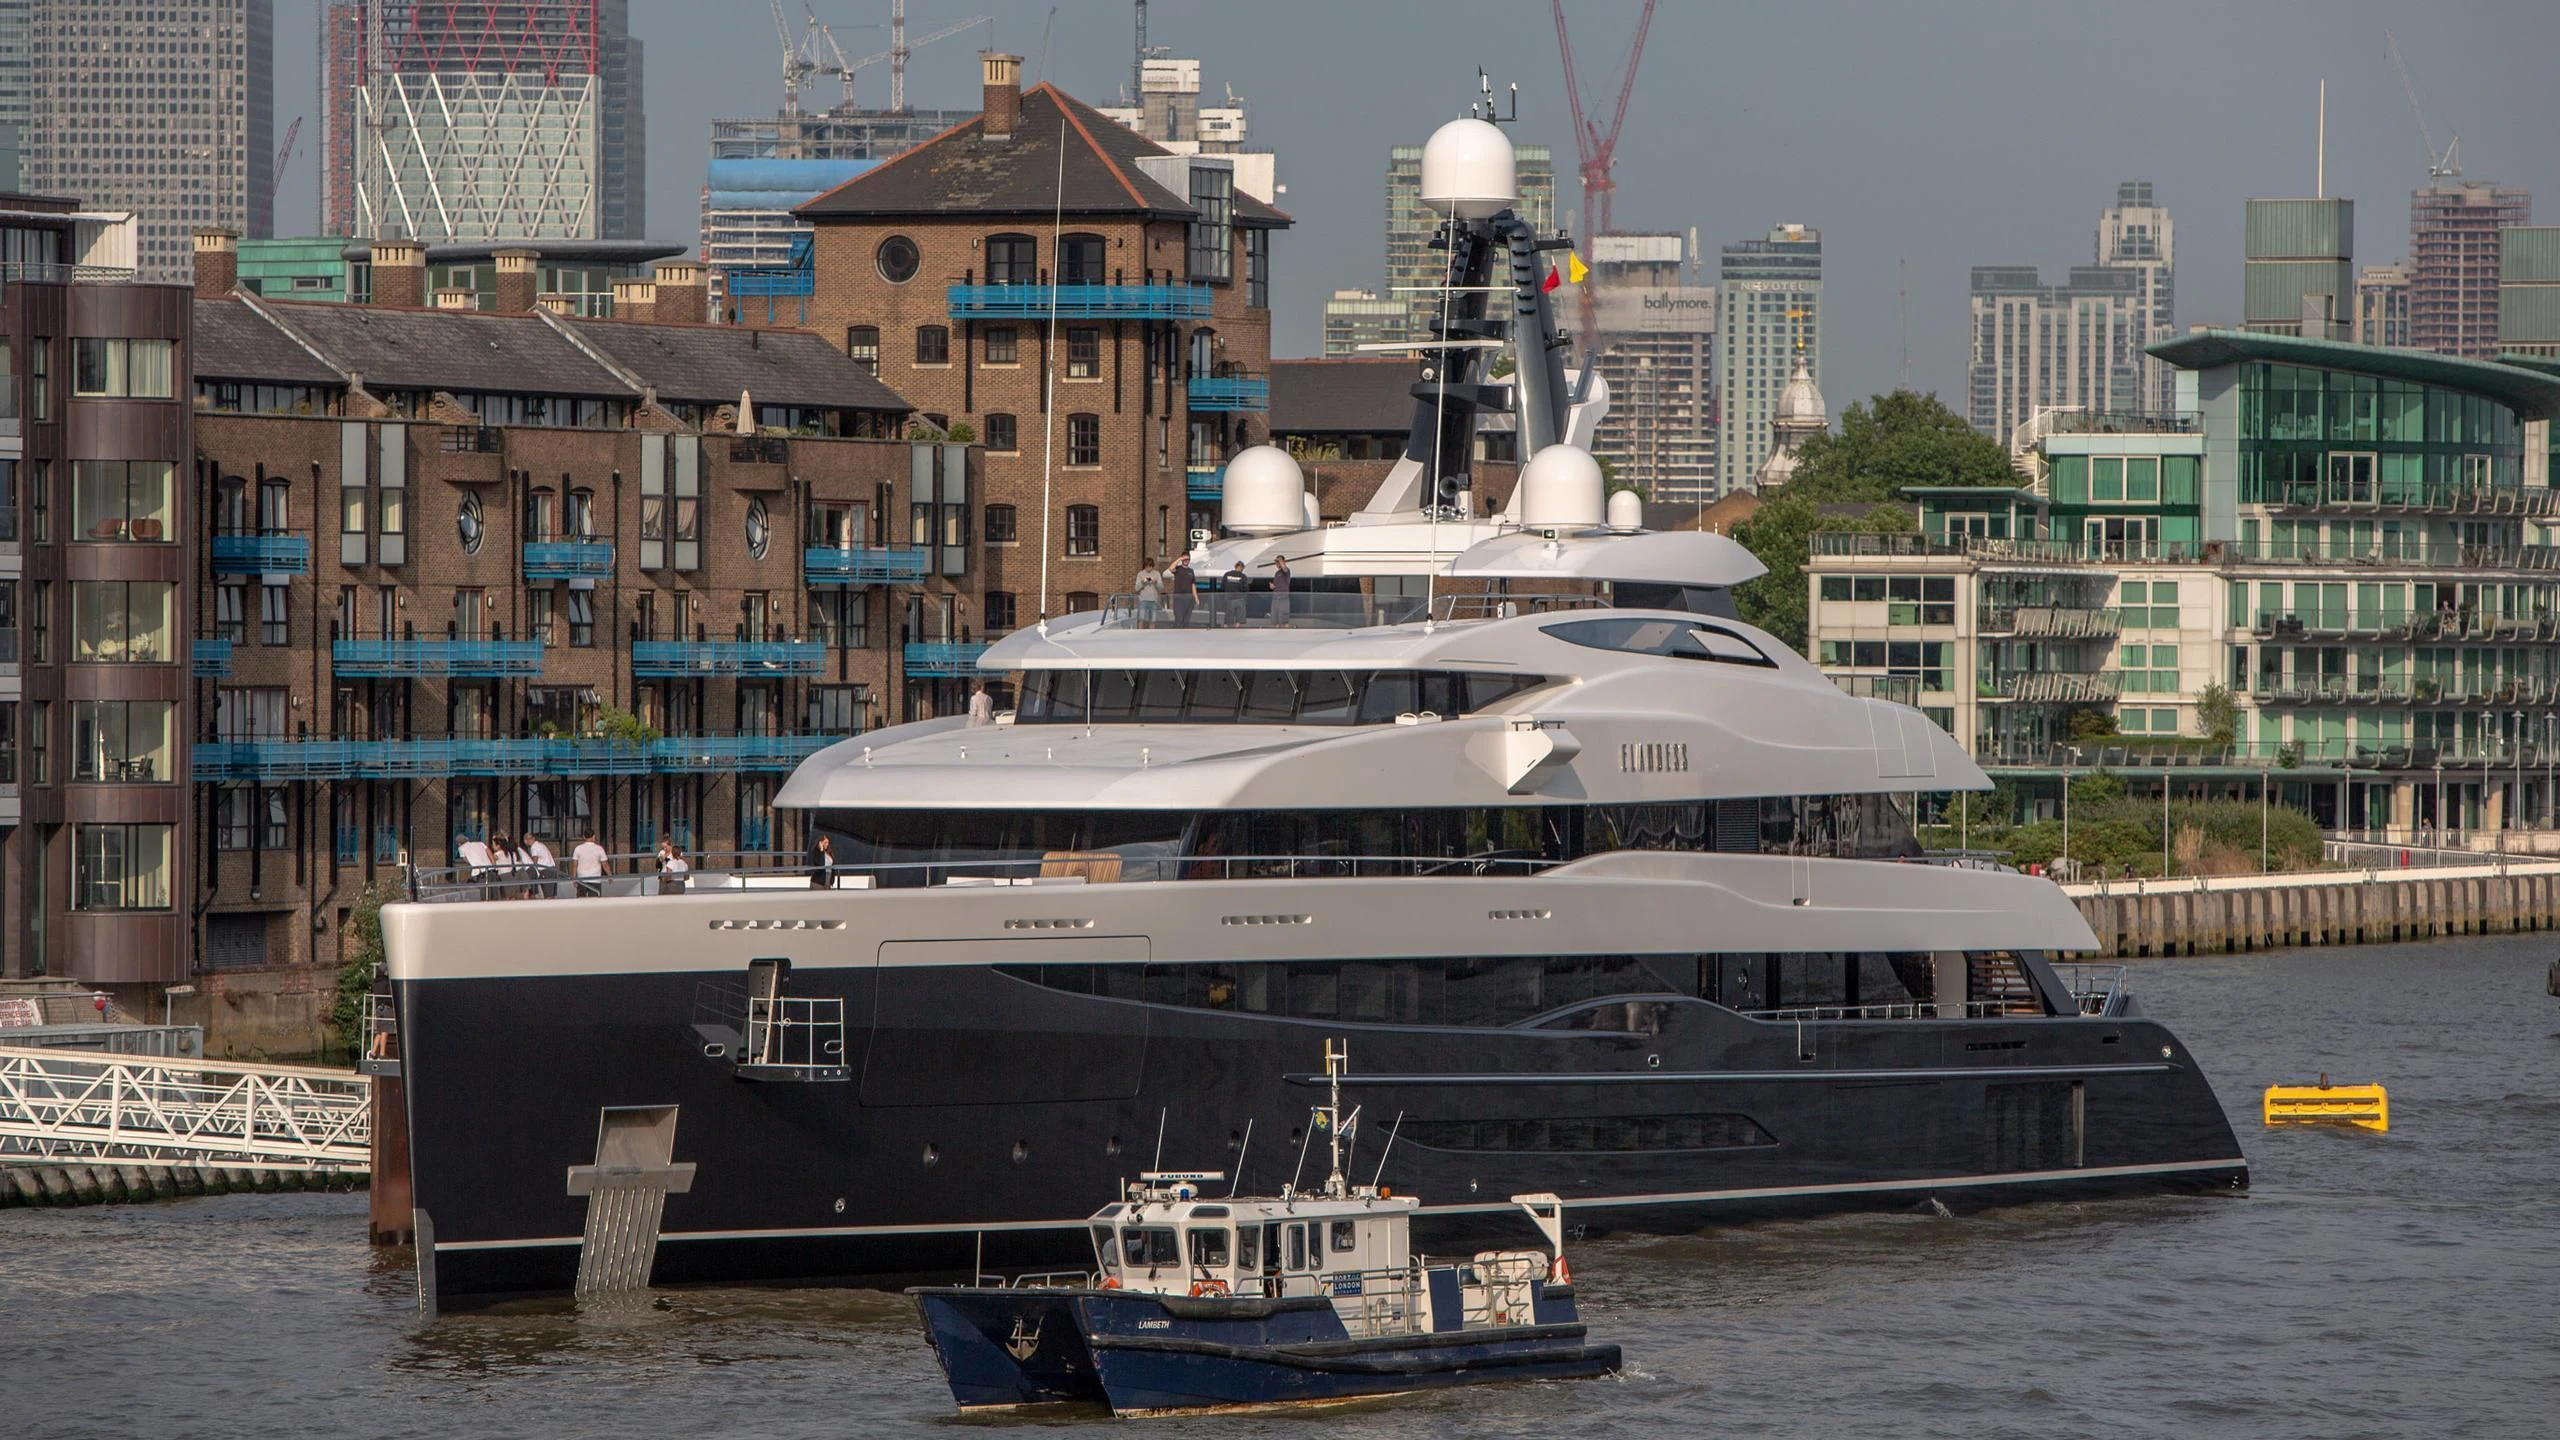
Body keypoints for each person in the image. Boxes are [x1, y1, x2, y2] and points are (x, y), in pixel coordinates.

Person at [571, 829, 609, 898]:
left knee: (581, 900)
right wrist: (610, 876)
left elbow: (574, 864)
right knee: (594, 902)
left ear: (584, 837)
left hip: (582, 878)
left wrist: (574, 878)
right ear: (594, 836)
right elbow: (605, 864)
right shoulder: (599, 849)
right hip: (595, 878)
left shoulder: (578, 848)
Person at [525, 831, 560, 899]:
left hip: (546, 870)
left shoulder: (534, 847)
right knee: (551, 894)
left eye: (528, 839)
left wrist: (534, 871)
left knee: (548, 894)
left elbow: (535, 859)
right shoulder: (540, 845)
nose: (527, 841)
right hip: (551, 869)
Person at [1168, 554, 1198, 628]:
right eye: (1184, 559)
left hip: (1189, 598)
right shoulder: (1178, 569)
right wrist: (1180, 558)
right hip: (1179, 598)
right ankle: (1177, 635)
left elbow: (1193, 585)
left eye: (1188, 559)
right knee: (1179, 619)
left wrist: (1196, 598)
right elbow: (1171, 568)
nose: (1186, 561)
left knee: (1186, 620)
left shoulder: (1191, 571)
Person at [1133, 559, 1164, 628]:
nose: (1149, 568)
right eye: (1147, 566)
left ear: (1152, 566)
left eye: (1150, 566)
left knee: (1153, 620)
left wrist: (1156, 582)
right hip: (1143, 600)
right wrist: (1142, 583)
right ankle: (1140, 635)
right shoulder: (1140, 574)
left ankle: (1151, 636)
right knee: (1141, 619)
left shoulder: (1157, 574)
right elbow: (1136, 588)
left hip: (1153, 600)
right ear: (1145, 566)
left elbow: (1161, 588)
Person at [1223, 560, 1250, 628]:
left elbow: (1223, 585)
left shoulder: (1227, 574)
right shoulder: (1243, 576)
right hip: (1239, 598)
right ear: (1242, 568)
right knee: (1240, 614)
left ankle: (1226, 626)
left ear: (1235, 566)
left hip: (1228, 597)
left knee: (1229, 613)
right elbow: (1246, 588)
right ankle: (1237, 626)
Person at [1268, 554, 1293, 627]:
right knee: (1274, 618)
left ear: (1283, 561)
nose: (1277, 563)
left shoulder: (1286, 570)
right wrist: (1272, 586)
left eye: (1278, 561)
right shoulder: (1277, 573)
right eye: (1276, 562)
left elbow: (1284, 568)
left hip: (1283, 597)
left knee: (1284, 618)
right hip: (1275, 597)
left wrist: (1281, 560)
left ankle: (1285, 635)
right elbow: (1275, 586)